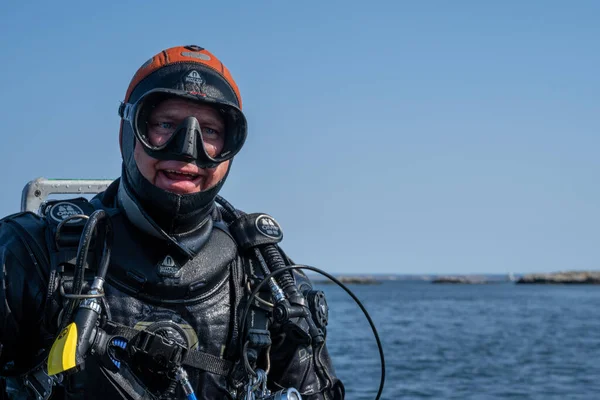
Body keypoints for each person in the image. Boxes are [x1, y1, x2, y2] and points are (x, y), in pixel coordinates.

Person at [0, 45, 344, 399]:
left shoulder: (266, 280)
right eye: (166, 125)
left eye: (210, 132)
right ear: (129, 133)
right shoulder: (29, 257)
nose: (187, 148)